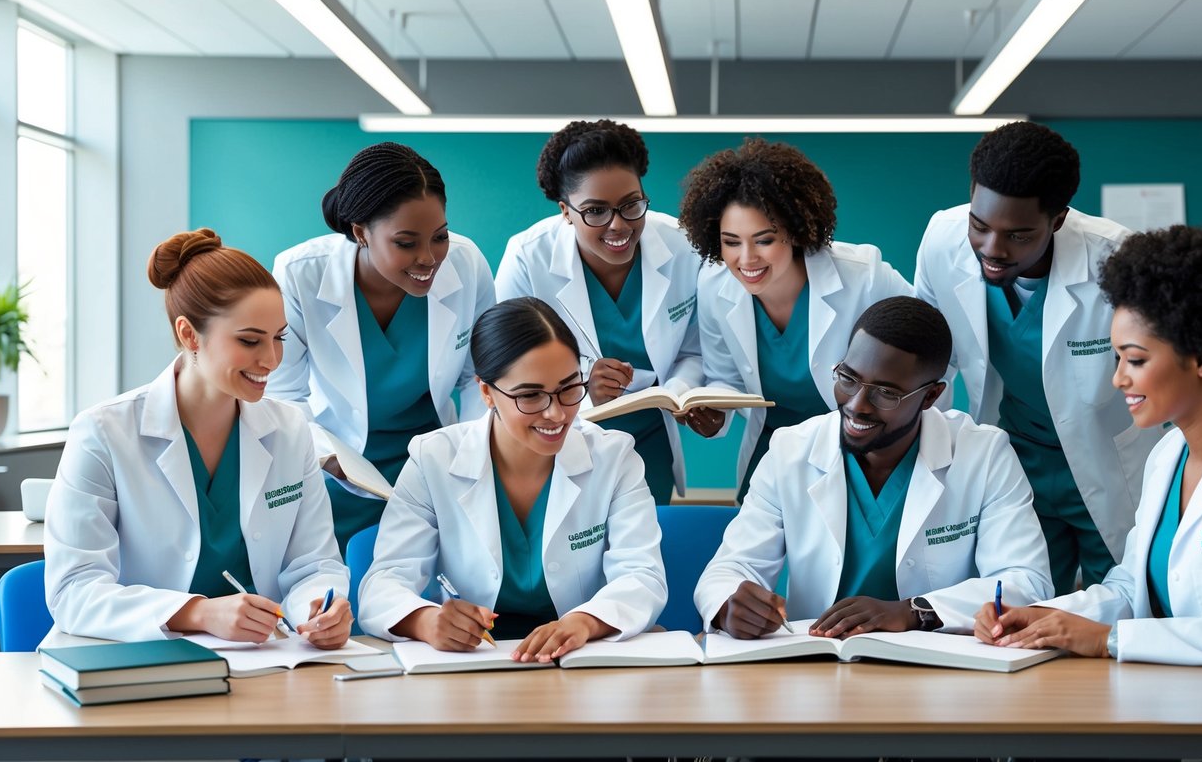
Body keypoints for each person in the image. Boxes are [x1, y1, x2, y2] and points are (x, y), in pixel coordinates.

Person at [975, 226, 1202, 667]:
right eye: (1116, 358)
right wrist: (1044, 616)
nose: (1118, 378)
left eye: (1135, 360)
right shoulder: (1167, 455)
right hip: (1178, 701)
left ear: (1201, 357)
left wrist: (1110, 639)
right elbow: (1129, 587)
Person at [44, 229, 352, 646]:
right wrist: (200, 612)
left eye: (279, 337)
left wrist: (319, 609)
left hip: (264, 662)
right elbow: (74, 591)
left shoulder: (290, 430)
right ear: (189, 334)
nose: (272, 360)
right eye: (249, 340)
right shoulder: (102, 434)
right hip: (138, 660)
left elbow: (314, 563)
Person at [694, 296, 1052, 638]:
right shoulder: (791, 451)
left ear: (931, 396)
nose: (856, 405)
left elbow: (1026, 581)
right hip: (818, 663)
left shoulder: (983, 455)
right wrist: (728, 605)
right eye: (847, 378)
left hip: (939, 671)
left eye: (886, 393)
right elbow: (730, 568)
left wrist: (914, 611)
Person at [914, 121, 1162, 594]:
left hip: (1106, 463)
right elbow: (929, 364)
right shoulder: (942, 241)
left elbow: (1168, 372)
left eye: (1018, 235)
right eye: (980, 226)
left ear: (1059, 219)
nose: (992, 249)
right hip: (1016, 458)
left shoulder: (1116, 259)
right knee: (1018, 601)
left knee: (1119, 603)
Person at [358, 297, 666, 662]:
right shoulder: (433, 459)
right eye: (530, 395)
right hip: (471, 663)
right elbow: (383, 584)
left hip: (583, 658)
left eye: (569, 388)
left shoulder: (614, 457)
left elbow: (643, 577)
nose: (555, 413)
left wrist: (584, 621)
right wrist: (427, 621)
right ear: (486, 392)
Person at [269, 142, 495, 551]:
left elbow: (481, 377)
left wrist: (471, 455)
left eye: (439, 237)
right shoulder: (300, 274)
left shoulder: (466, 263)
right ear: (360, 233)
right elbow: (282, 393)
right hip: (342, 469)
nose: (429, 258)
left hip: (434, 464)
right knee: (339, 594)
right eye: (406, 243)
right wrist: (327, 455)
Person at [680, 138, 914, 499]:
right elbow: (725, 378)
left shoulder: (863, 277)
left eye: (764, 240)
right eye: (731, 242)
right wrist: (713, 412)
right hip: (776, 448)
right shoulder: (714, 286)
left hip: (860, 446)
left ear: (793, 230)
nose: (746, 259)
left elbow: (928, 352)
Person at [496, 119, 701, 504]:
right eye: (595, 211)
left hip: (649, 437)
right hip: (556, 431)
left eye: (631, 205)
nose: (618, 224)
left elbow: (695, 349)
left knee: (642, 551)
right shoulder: (528, 257)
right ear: (565, 211)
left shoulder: (682, 246)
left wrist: (681, 393)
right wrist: (581, 388)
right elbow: (505, 365)